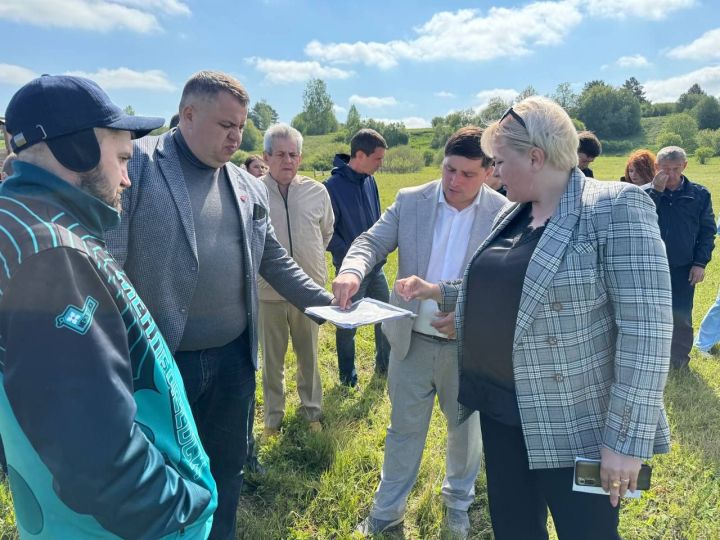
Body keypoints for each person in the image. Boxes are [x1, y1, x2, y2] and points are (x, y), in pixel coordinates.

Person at [395, 96, 673, 539]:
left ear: (536, 157)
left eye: (501, 161)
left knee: (587, 533)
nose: (496, 172)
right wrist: (451, 300)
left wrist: (625, 442)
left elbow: (648, 332)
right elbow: (512, 288)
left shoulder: (615, 207)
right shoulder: (513, 212)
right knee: (515, 530)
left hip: (576, 426)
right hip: (502, 412)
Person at [105, 70, 334, 539]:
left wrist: (324, 303)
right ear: (188, 114)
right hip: (161, 362)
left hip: (233, 359)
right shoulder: (139, 167)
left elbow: (273, 257)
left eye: (241, 126)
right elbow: (107, 264)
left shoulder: (245, 185)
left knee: (225, 469)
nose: (237, 136)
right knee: (162, 475)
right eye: (225, 125)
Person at [0, 74, 217, 538]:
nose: (127, 177)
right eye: (121, 159)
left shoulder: (25, 227)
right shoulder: (50, 258)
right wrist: (184, 508)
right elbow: (94, 456)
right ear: (75, 150)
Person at [334, 127, 506, 538]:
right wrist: (352, 269)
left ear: (488, 171)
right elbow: (370, 242)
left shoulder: (503, 213)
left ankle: (457, 502)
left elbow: (502, 286)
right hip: (409, 341)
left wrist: (464, 315)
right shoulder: (411, 201)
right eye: (449, 169)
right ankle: (386, 511)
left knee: (465, 433)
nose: (454, 181)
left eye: (467, 174)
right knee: (403, 430)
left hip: (467, 348)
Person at [258, 124, 334, 436]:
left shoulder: (317, 191)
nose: (287, 160)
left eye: (293, 154)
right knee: (271, 362)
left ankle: (312, 413)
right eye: (280, 154)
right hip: (268, 293)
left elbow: (326, 233)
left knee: (310, 357)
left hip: (310, 293)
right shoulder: (252, 191)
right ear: (266, 156)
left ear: (300, 158)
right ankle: (273, 420)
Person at [325, 128, 390, 387]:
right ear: (360, 155)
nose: (381, 165)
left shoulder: (370, 181)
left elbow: (378, 220)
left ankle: (384, 367)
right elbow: (327, 232)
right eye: (378, 159)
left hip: (376, 267)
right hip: (349, 273)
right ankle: (347, 377)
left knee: (383, 316)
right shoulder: (331, 187)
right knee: (347, 324)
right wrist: (347, 257)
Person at [644, 146, 715, 369]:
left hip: (684, 266)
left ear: (684, 166)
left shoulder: (699, 194)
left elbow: (707, 231)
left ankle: (679, 362)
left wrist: (700, 263)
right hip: (651, 265)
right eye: (665, 169)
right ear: (656, 167)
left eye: (676, 168)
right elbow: (639, 222)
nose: (671, 174)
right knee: (649, 314)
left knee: (682, 315)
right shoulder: (644, 193)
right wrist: (656, 192)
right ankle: (650, 360)